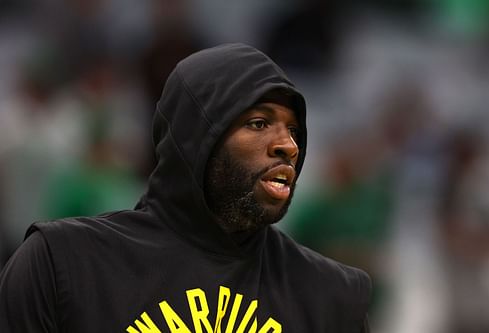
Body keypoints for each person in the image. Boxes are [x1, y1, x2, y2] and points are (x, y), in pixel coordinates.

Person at [0, 43, 371, 332]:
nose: (288, 146)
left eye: (293, 130)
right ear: (196, 141)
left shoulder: (332, 297)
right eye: (259, 123)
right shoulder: (63, 266)